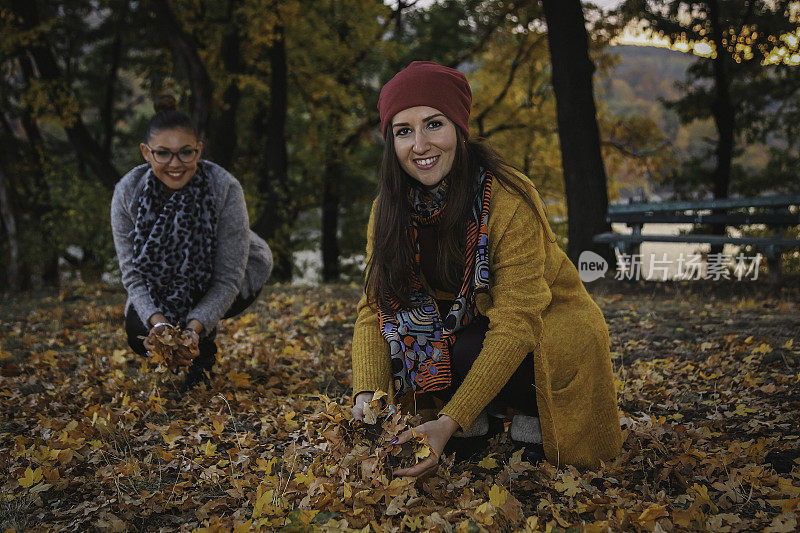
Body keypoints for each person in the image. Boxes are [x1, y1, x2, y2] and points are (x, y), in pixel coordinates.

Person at [350, 61, 622, 476]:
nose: (419, 145)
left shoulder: (508, 197)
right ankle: (475, 419)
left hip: (549, 324)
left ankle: (528, 419)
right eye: (404, 131)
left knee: (471, 346)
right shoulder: (388, 210)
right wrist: (366, 393)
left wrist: (447, 419)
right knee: (442, 336)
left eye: (433, 124)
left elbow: (517, 321)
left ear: (459, 128)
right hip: (469, 326)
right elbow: (376, 307)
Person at [111, 95, 272, 390]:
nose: (175, 164)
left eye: (185, 153)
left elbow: (227, 279)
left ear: (199, 150)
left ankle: (202, 347)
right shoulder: (127, 192)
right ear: (146, 153)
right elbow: (133, 276)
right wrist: (158, 324)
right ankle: (186, 333)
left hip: (232, 271)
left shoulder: (224, 187)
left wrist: (194, 328)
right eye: (163, 153)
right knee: (138, 331)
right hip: (162, 280)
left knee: (199, 310)